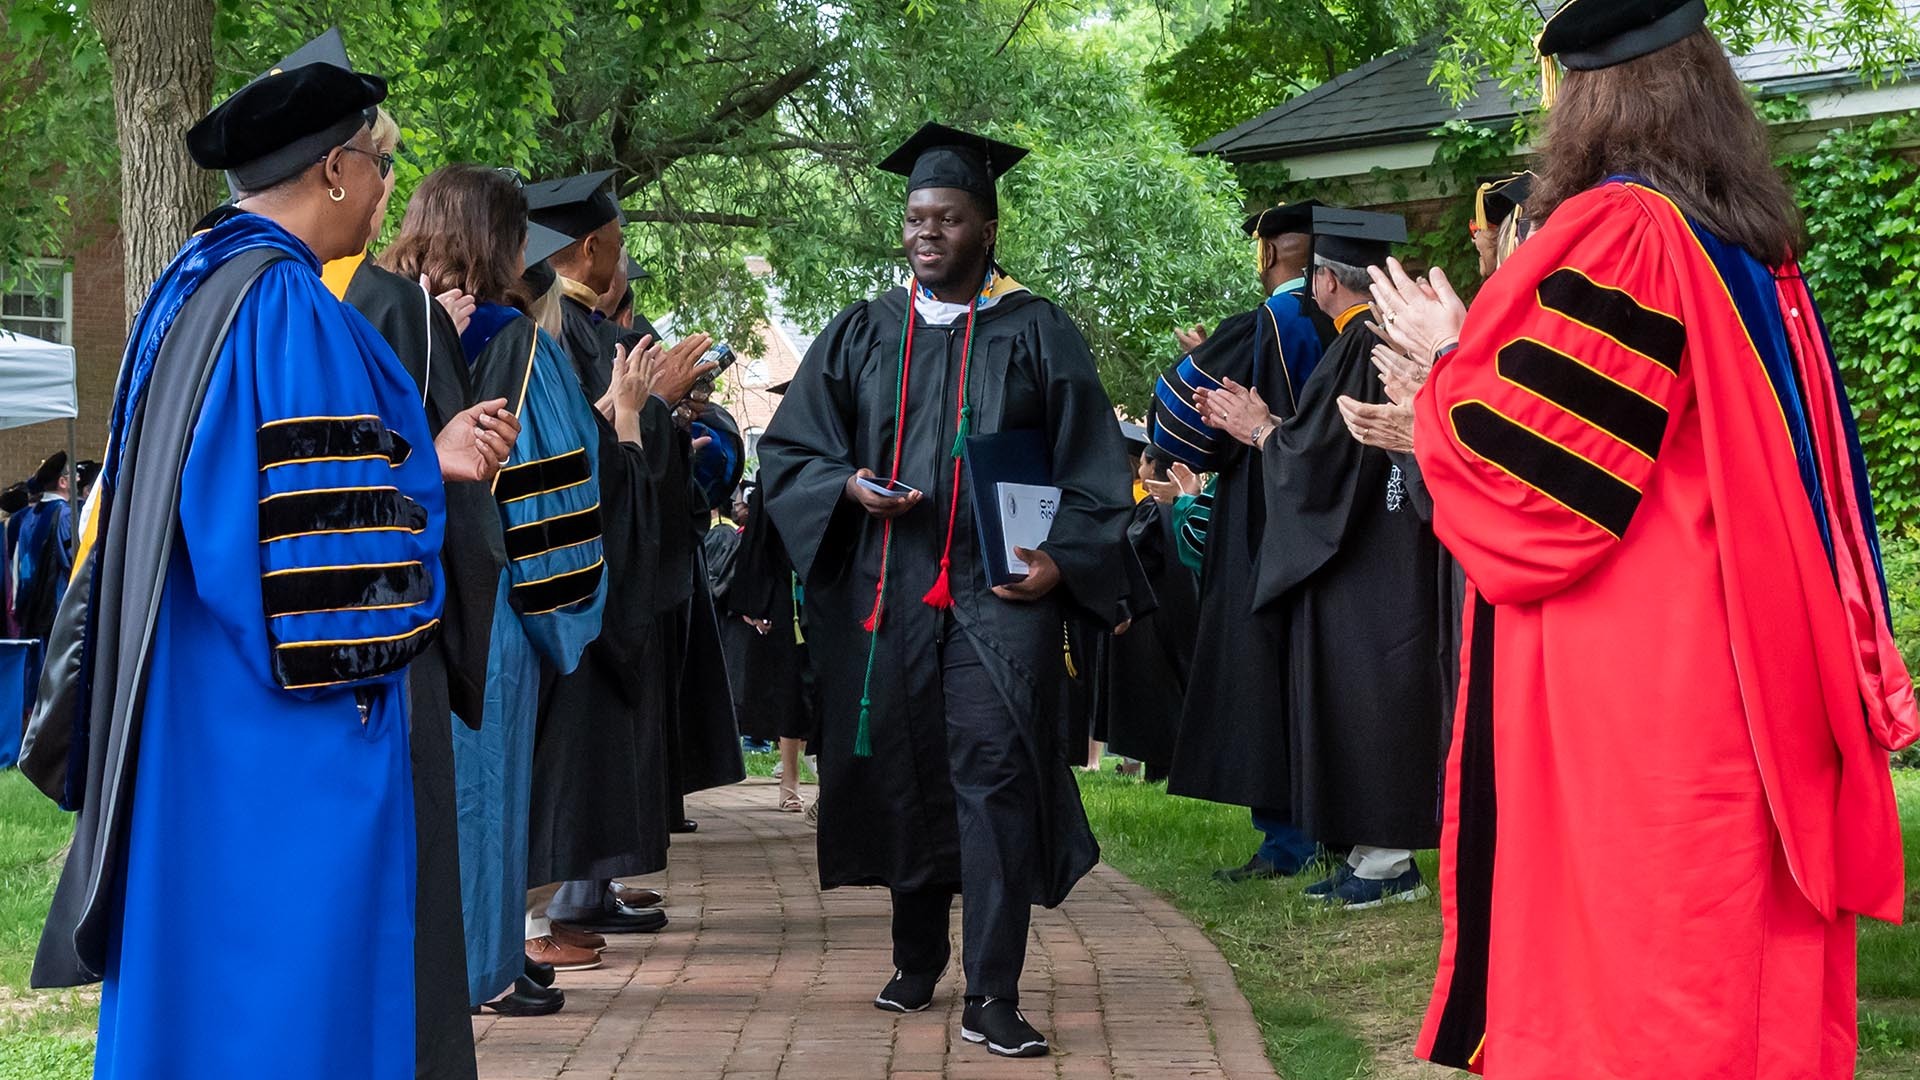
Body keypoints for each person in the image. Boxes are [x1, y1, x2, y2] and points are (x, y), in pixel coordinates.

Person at [1368, 2, 1916, 1074]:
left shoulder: (1628, 231)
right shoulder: (1752, 241)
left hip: (1648, 678)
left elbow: (1540, 489)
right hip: (1755, 660)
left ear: (1589, 97)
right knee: (1746, 948)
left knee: (1656, 971)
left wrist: (1448, 363)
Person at [22, 36, 517, 1079]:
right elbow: (316, 554)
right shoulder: (285, 309)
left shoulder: (186, 292)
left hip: (195, 711)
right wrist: (427, 482)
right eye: (381, 167)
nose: (388, 192)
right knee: (286, 1000)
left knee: (195, 983)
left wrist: (412, 464)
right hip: (284, 733)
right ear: (333, 168)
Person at [758, 122, 1133, 1058]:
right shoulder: (860, 331)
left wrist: (1062, 560)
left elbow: (1095, 474)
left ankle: (993, 991)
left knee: (994, 776)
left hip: (995, 600)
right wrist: (845, 487)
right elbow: (794, 449)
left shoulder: (1038, 330)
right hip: (885, 600)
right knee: (905, 766)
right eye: (917, 217)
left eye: (949, 218)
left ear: (988, 228)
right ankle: (916, 957)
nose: (928, 233)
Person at [1197, 207, 1450, 909]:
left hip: (1371, 560)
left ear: (1324, 282)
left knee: (1374, 697)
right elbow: (1334, 444)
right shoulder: (1375, 337)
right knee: (1368, 697)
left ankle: (1387, 863)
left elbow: (1321, 461)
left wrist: (1261, 437)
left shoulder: (1359, 342)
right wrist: (1273, 428)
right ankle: (1373, 854)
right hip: (1382, 545)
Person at [521, 168, 718, 938]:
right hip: (576, 577)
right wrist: (651, 408)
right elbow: (590, 450)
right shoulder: (556, 330)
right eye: (621, 242)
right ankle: (562, 900)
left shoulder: (580, 328)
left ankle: (586, 887)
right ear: (592, 243)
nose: (622, 259)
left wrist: (663, 414)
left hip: (599, 565)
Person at [1155, 202, 1331, 883]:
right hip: (1334, 516)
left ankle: (1286, 842)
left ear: (1272, 254)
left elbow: (1172, 422)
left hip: (1264, 516)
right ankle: (1338, 828)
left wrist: (1199, 361)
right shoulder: (1349, 323)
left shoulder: (1271, 322)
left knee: (1265, 671)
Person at [1102, 441, 1199, 781]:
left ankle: (1157, 768)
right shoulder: (1185, 507)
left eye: (1142, 462)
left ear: (1150, 464)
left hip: (1151, 612)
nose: (1139, 469)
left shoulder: (1150, 510)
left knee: (1153, 694)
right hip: (1184, 608)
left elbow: (1132, 553)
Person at [11, 451, 73, 642]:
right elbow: (72, 563)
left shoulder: (27, 516)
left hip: (29, 605)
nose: (77, 478)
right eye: (72, 475)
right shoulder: (65, 515)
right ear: (62, 482)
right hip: (55, 606)